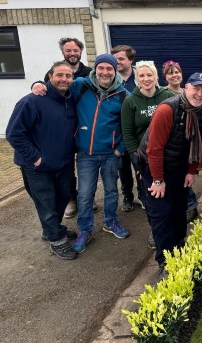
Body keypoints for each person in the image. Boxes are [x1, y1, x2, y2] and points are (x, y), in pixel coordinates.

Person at [33, 53, 131, 253]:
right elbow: (57, 85)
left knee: (111, 191)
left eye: (109, 69)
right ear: (96, 69)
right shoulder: (81, 85)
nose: (105, 72)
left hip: (111, 154)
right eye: (101, 68)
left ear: (114, 71)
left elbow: (129, 126)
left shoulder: (123, 95)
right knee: (85, 194)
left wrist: (120, 149)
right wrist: (37, 84)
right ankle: (85, 230)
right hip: (86, 154)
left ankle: (110, 222)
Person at [137, 73, 202, 273]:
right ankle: (165, 260)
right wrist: (158, 180)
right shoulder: (167, 110)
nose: (199, 94)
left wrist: (192, 171)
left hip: (180, 166)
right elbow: (154, 149)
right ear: (186, 87)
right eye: (196, 88)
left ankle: (179, 246)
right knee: (161, 214)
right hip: (155, 166)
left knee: (179, 210)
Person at [7, 61, 78, 260]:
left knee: (63, 198)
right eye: (59, 75)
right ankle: (57, 241)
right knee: (46, 204)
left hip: (63, 163)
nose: (64, 79)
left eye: (68, 76)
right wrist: (36, 158)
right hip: (37, 167)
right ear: (49, 76)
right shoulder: (31, 102)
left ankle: (51, 229)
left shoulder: (69, 99)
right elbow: (14, 134)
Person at [121, 61, 173, 249]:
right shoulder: (130, 101)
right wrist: (136, 159)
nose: (146, 79)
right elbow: (128, 133)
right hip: (144, 159)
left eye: (149, 75)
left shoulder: (167, 96)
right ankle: (156, 230)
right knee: (151, 196)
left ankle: (173, 227)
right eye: (142, 76)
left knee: (171, 193)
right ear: (137, 79)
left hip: (168, 155)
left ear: (156, 77)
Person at [46, 38, 92, 219]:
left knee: (86, 165)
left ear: (81, 51)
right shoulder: (56, 71)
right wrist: (36, 85)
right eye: (68, 50)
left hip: (84, 125)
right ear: (63, 52)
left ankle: (86, 197)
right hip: (64, 125)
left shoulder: (89, 72)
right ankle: (71, 199)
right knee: (67, 167)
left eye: (75, 50)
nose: (72, 53)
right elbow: (45, 88)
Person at [162, 60, 200, 222]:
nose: (174, 75)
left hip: (188, 141)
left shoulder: (189, 92)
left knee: (185, 176)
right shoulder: (163, 94)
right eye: (170, 73)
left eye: (177, 72)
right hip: (171, 143)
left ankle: (190, 205)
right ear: (165, 76)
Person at [111, 45, 140, 212]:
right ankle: (128, 196)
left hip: (138, 132)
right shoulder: (110, 79)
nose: (117, 62)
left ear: (131, 60)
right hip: (119, 133)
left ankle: (143, 194)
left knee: (140, 165)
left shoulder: (141, 76)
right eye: (115, 59)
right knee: (123, 168)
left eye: (121, 59)